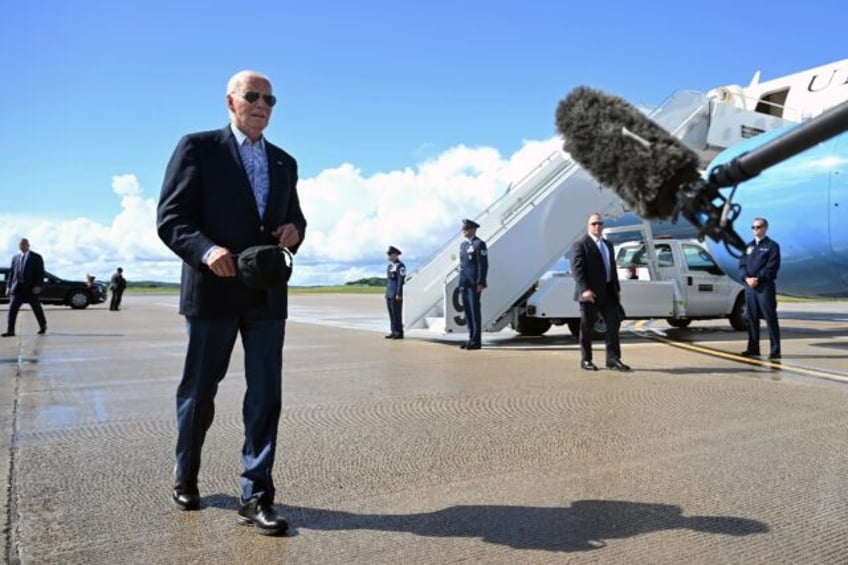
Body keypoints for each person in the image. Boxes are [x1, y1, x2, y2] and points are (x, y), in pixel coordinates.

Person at [157, 70, 307, 536]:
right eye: (253, 96)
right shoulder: (198, 148)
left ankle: (256, 494)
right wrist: (207, 251)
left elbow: (296, 219)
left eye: (270, 98)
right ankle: (186, 475)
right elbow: (171, 219)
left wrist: (293, 232)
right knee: (199, 392)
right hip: (213, 290)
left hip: (265, 295)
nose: (262, 104)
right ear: (231, 101)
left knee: (266, 396)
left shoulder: (284, 162)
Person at [571, 213, 630, 371]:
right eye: (594, 223)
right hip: (590, 294)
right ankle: (586, 360)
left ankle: (613, 359)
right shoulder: (581, 244)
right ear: (588, 226)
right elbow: (577, 270)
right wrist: (585, 290)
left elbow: (611, 268)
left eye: (600, 223)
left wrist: (616, 288)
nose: (597, 226)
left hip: (609, 292)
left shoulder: (608, 245)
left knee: (613, 325)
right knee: (587, 328)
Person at [739, 217, 781, 360]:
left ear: (765, 228)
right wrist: (746, 278)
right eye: (753, 227)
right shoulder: (748, 247)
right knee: (751, 319)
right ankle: (753, 348)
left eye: (758, 227)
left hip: (764, 287)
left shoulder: (772, 246)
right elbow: (742, 266)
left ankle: (775, 350)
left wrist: (758, 278)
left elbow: (772, 266)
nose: (755, 230)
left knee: (770, 318)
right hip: (750, 288)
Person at [2, 238, 47, 337]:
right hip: (17, 289)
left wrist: (38, 286)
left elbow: (40, 273)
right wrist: (8, 287)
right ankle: (10, 331)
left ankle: (43, 326)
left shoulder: (36, 257)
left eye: (24, 244)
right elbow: (12, 274)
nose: (22, 246)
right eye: (20, 245)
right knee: (12, 309)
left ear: (28, 245)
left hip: (31, 289)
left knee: (37, 309)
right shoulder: (15, 258)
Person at [458, 219, 488, 350]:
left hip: (474, 284)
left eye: (466, 229)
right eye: (463, 229)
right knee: (468, 312)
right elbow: (463, 265)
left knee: (475, 312)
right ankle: (471, 338)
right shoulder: (463, 245)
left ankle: (477, 341)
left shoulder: (479, 244)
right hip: (464, 283)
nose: (463, 231)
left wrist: (481, 281)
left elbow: (483, 264)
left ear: (473, 230)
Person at [384, 245, 406, 339]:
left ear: (395, 255)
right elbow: (389, 281)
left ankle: (399, 332)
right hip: (389, 293)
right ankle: (393, 331)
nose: (388, 257)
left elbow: (401, 281)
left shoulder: (400, 266)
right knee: (391, 314)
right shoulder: (389, 266)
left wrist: (399, 293)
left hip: (395, 294)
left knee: (397, 314)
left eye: (390, 255)